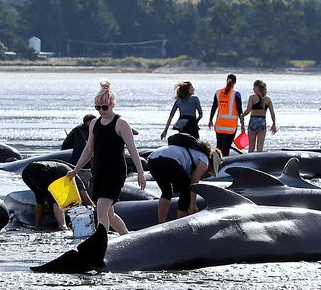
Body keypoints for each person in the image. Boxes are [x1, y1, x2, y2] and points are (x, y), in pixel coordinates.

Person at [68, 81, 146, 235]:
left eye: (104, 107)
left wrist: (141, 173)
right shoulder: (94, 124)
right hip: (99, 171)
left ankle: (101, 242)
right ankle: (127, 237)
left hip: (115, 172)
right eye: (98, 108)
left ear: (112, 105)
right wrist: (75, 170)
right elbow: (89, 149)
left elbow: (132, 149)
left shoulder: (121, 123)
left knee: (102, 208)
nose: (101, 111)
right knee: (109, 213)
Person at [146, 138, 213, 223]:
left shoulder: (194, 152)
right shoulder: (205, 160)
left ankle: (161, 222)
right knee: (186, 189)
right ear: (212, 162)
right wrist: (193, 203)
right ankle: (181, 224)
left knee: (166, 192)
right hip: (169, 159)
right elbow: (194, 182)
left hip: (152, 158)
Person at [21, 160, 93, 231]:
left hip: (26, 172)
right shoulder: (76, 177)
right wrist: (94, 209)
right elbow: (85, 196)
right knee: (56, 198)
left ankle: (37, 225)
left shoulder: (64, 169)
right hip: (40, 170)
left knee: (40, 197)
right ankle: (62, 226)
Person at [208, 74, 244, 156]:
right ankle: (224, 165)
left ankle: (215, 166)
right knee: (226, 149)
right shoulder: (236, 94)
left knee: (218, 148)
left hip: (219, 125)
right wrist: (242, 124)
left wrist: (210, 120)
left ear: (226, 80)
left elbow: (214, 107)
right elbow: (240, 110)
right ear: (235, 83)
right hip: (230, 127)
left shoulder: (218, 93)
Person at [241, 79, 277, 152]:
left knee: (251, 147)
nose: (253, 89)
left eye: (254, 87)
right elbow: (272, 113)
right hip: (262, 122)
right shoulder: (268, 99)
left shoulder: (252, 97)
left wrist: (242, 115)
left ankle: (250, 161)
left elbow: (248, 110)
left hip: (253, 122)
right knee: (260, 148)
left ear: (257, 87)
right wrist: (274, 124)